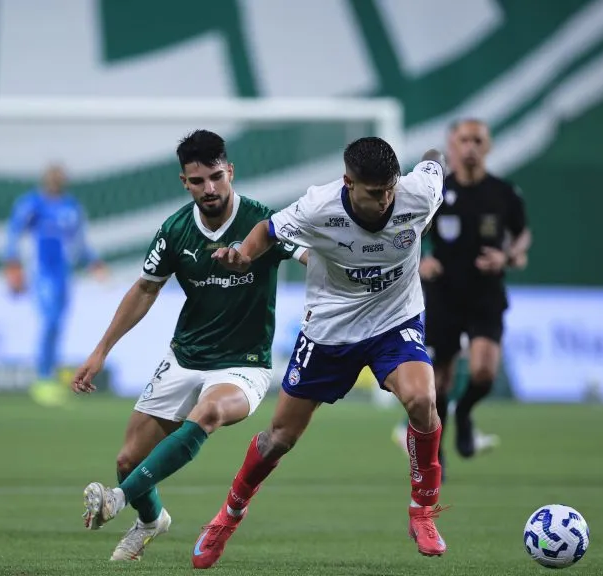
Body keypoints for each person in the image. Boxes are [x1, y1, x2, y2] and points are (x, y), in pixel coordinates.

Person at [192, 137, 448, 568]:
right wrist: (242, 256)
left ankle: (422, 510)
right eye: (373, 192)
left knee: (423, 399)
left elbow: (434, 164)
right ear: (349, 183)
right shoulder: (318, 206)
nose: (385, 200)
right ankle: (228, 516)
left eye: (389, 189)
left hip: (395, 320)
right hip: (330, 330)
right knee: (279, 440)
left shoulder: (417, 193)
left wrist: (435, 155)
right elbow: (267, 232)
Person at [72, 129, 307, 561]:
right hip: (185, 358)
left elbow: (309, 255)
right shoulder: (176, 230)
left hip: (244, 364)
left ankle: (118, 501)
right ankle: (150, 520)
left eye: (217, 176)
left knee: (209, 412)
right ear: (184, 181)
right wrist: (101, 350)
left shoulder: (262, 221)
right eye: (198, 181)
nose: (210, 188)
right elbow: (144, 289)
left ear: (229, 170)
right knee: (127, 461)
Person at [416, 119, 530, 463]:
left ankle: (465, 414)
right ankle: (436, 454)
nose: (471, 147)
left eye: (478, 140)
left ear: (489, 146)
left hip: (485, 293)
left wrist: (507, 255)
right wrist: (421, 260)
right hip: (444, 293)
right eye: (464, 140)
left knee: (483, 373)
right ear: (452, 145)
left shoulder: (503, 192)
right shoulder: (436, 193)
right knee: (439, 380)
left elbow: (523, 234)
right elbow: (407, 233)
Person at [3, 164, 107, 407]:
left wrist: (94, 263)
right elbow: (13, 234)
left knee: (58, 324)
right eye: (52, 175)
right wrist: (13, 266)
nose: (56, 179)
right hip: (41, 272)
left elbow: (80, 242)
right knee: (49, 321)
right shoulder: (32, 204)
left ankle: (49, 373)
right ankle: (42, 378)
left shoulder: (72, 207)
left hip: (63, 274)